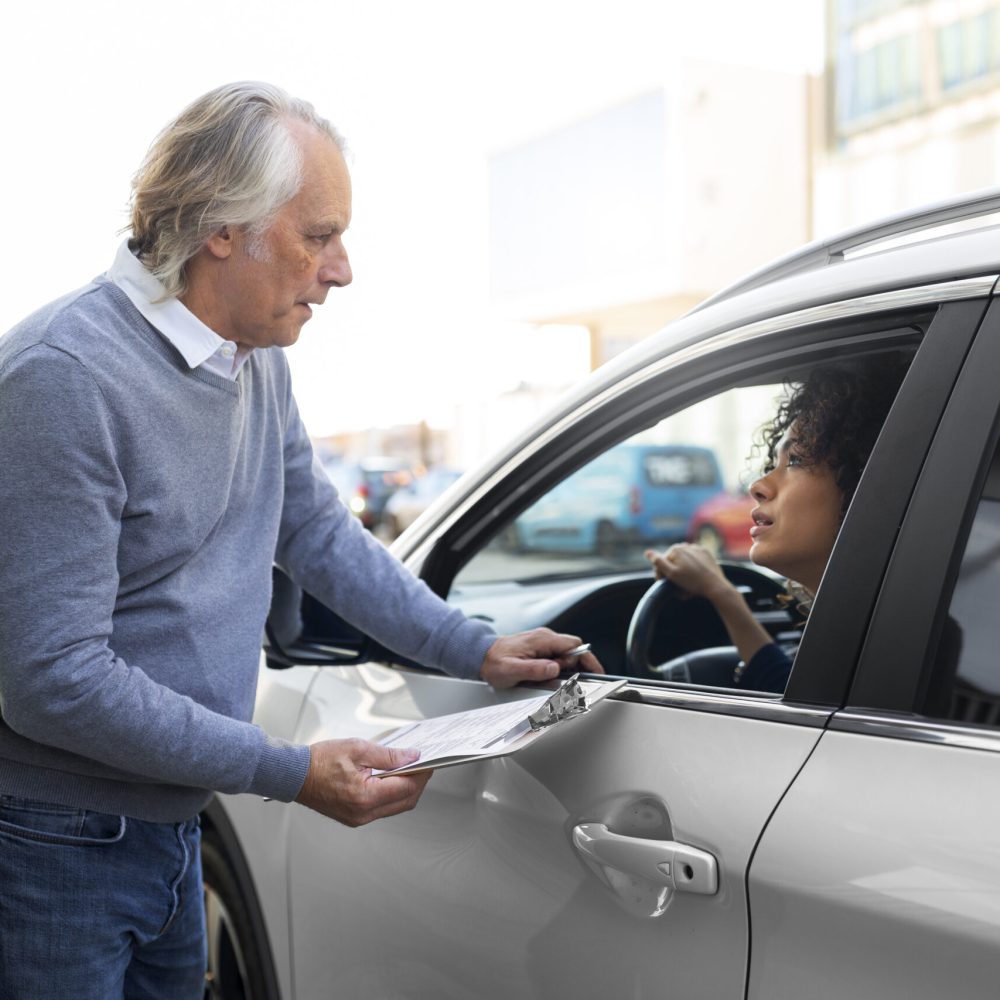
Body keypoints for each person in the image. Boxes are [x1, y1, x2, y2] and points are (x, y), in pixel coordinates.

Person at [0, 82, 600, 1000]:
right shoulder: (64, 378)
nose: (341, 270)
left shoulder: (252, 358)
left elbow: (315, 530)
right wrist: (287, 771)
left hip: (170, 826)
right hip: (57, 843)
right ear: (222, 228)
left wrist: (472, 647)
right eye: (318, 236)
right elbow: (52, 679)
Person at [646, 355, 909, 693]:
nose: (758, 486)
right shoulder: (889, 625)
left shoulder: (895, 638)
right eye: (774, 462)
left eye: (795, 460)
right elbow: (793, 687)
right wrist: (722, 593)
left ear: (865, 482)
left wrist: (721, 593)